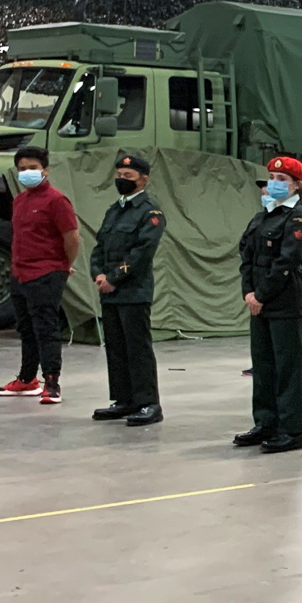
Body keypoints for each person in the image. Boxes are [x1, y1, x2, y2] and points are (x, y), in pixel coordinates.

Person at [232, 156, 302, 453]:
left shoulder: (298, 218)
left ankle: (292, 430)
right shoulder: (262, 216)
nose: (275, 183)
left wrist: (261, 295)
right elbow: (247, 258)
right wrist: (248, 292)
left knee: (288, 366)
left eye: (282, 179)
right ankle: (266, 422)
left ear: (296, 185)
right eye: (272, 177)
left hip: (284, 301)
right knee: (264, 364)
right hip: (259, 301)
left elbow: (285, 262)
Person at [0, 146, 80, 405]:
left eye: (32, 168)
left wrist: (64, 264)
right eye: (22, 169)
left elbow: (72, 237)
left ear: (45, 170)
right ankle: (26, 379)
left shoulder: (57, 201)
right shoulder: (20, 201)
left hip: (47, 272)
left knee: (46, 328)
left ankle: (52, 382)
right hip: (20, 273)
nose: (27, 173)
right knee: (26, 328)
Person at [90, 153, 166, 427]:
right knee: (116, 348)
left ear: (143, 179)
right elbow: (100, 246)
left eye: (128, 177)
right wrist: (97, 273)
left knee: (137, 348)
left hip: (133, 291)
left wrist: (113, 278)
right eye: (119, 176)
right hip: (109, 291)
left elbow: (142, 253)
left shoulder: (150, 212)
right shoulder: (114, 210)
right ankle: (123, 400)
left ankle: (148, 403)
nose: (121, 180)